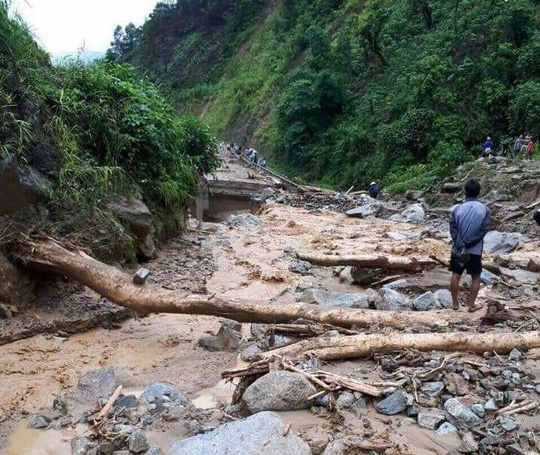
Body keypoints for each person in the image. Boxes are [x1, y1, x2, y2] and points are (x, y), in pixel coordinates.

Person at [449, 179, 491, 312]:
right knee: (476, 277)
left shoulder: (457, 209)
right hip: (475, 250)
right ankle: (471, 305)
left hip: (459, 249)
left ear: (465, 192)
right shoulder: (485, 209)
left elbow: (453, 229)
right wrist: (471, 242)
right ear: (479, 192)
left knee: (456, 274)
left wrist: (461, 244)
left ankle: (455, 304)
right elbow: (484, 230)